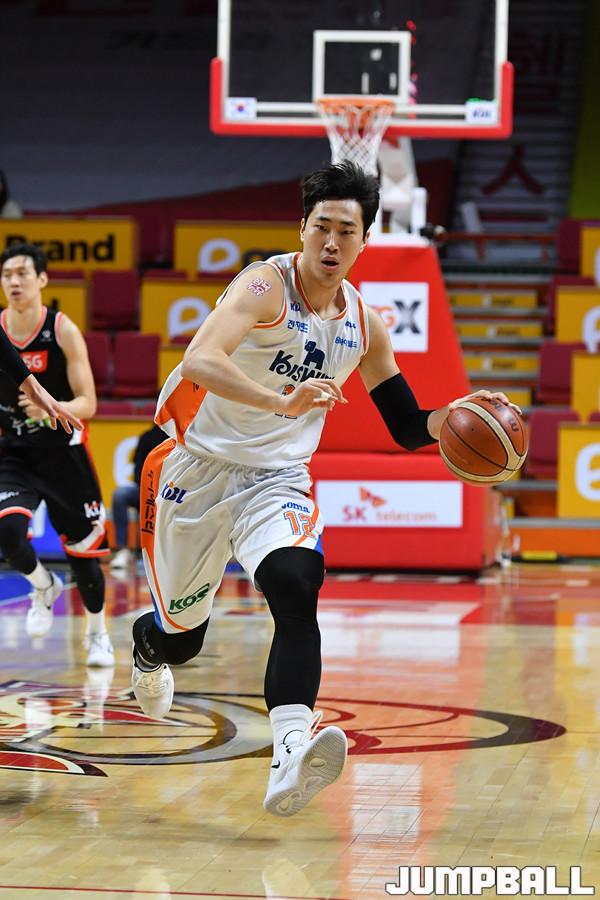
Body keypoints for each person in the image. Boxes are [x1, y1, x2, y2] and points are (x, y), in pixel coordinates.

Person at [130, 161, 516, 816]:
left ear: (365, 241)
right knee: (181, 638)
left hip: (276, 478)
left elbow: (405, 425)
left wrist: (453, 418)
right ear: (302, 229)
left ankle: (289, 752)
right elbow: (200, 359)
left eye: (346, 231)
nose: (332, 243)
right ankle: (148, 648)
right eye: (322, 228)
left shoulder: (365, 323)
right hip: (194, 469)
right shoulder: (264, 285)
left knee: (296, 583)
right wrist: (281, 401)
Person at [0, 243, 114, 667]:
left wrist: (52, 410)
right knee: (7, 533)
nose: (14, 282)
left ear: (42, 280)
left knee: (85, 560)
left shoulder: (62, 330)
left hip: (65, 456)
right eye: (6, 275)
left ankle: (98, 633)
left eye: (22, 273)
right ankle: (43, 585)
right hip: (16, 453)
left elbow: (89, 403)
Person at [0, 322, 83, 433]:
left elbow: (89, 405)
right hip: (11, 437)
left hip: (58, 438)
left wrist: (53, 408)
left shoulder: (63, 328)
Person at [110, 423, 165, 569]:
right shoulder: (147, 437)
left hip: (171, 493)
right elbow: (137, 471)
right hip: (146, 489)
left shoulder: (179, 437)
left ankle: (164, 553)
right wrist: (148, 489)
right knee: (119, 495)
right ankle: (123, 550)